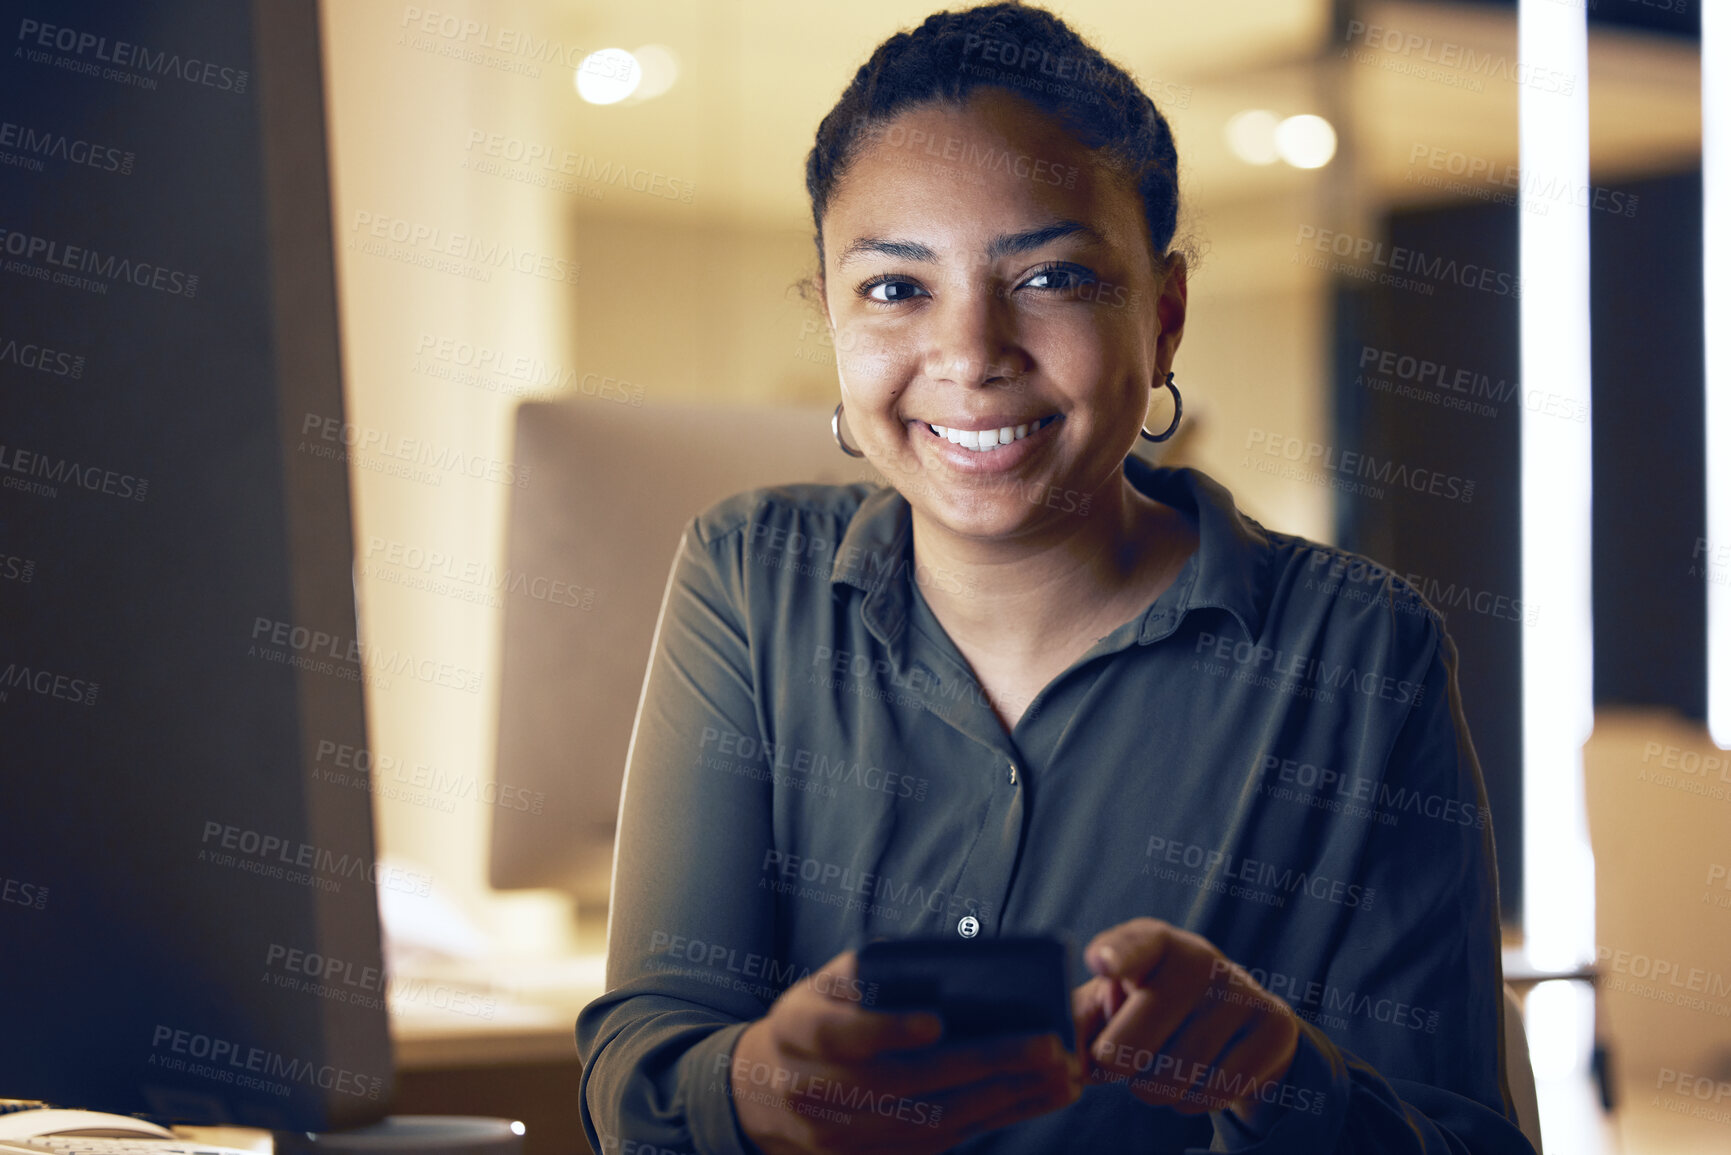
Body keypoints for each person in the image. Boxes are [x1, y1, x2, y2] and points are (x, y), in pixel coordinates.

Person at [577, 3, 1533, 1151]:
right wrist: (757, 1085)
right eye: (894, 288)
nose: (973, 354)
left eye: (1053, 278)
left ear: (1164, 316)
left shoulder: (1357, 650)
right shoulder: (748, 577)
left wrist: (1279, 1077)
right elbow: (640, 1060)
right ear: (831, 314)